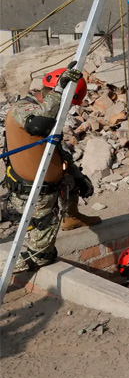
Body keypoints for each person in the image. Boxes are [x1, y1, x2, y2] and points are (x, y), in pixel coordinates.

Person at [4, 65, 99, 272]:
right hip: (33, 193)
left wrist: (77, 175)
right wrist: (59, 92)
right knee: (41, 255)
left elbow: (57, 150)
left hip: (49, 186)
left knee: (74, 181)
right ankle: (5, 268)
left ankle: (70, 216)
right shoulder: (24, 108)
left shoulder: (46, 108)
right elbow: (38, 126)